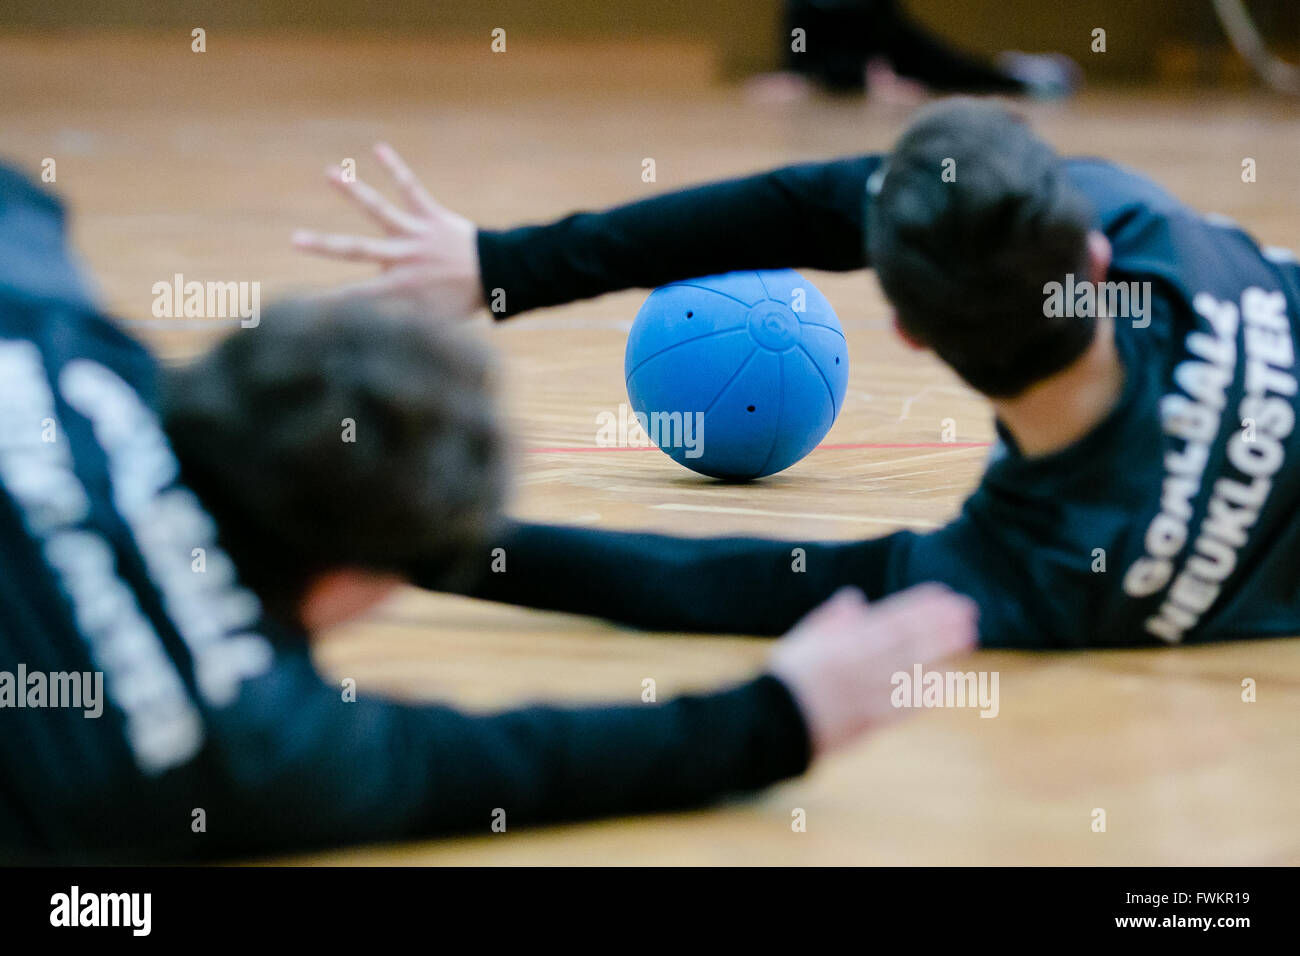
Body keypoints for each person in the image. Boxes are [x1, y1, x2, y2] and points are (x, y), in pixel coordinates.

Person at [0, 162, 976, 862]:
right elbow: (509, 765)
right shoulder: (248, 744)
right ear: (358, 580)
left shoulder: (49, 330)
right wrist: (780, 714)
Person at [293, 98, 1300, 649]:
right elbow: (810, 205)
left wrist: (396, 532)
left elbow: (703, 584)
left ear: (906, 333)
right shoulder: (1135, 223)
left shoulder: (1032, 575)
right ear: (1088, 264)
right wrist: (505, 267)